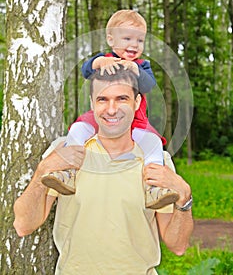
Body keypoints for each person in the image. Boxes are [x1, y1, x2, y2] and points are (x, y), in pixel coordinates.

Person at [13, 66, 194, 275]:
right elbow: (23, 225)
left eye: (121, 99)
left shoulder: (156, 162)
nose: (111, 109)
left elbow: (178, 246)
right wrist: (42, 171)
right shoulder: (65, 152)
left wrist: (184, 197)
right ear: (92, 104)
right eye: (102, 99)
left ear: (136, 103)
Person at [41, 9, 179, 209]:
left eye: (140, 41)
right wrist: (98, 62)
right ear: (111, 40)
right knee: (77, 130)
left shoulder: (143, 65)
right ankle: (67, 173)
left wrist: (137, 71)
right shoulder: (105, 59)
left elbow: (148, 85)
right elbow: (85, 70)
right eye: (127, 38)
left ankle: (154, 189)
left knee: (154, 143)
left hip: (135, 121)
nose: (134, 45)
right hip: (99, 119)